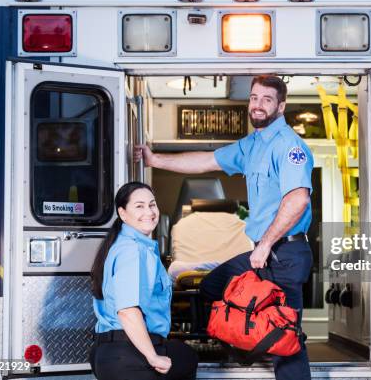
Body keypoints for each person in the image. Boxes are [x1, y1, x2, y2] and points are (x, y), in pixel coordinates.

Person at [134, 75, 314, 380]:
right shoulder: (253, 145)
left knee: (287, 338)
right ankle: (251, 345)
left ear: (281, 106)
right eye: (254, 97)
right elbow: (206, 161)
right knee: (212, 286)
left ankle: (270, 343)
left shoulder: (289, 146)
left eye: (267, 99)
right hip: (265, 251)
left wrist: (266, 245)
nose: (258, 105)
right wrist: (155, 160)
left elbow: (298, 199)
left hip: (286, 252)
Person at [89, 182, 198, 380]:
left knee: (184, 355)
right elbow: (127, 311)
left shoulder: (128, 245)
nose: (149, 211)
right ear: (122, 213)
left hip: (113, 352)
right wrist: (153, 357)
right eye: (139, 206)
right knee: (186, 358)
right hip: (128, 355)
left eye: (152, 204)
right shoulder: (132, 250)